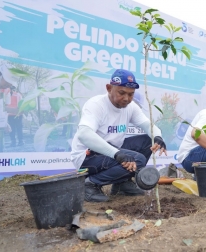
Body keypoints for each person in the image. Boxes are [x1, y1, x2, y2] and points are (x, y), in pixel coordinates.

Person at [71, 69, 167, 202]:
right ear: (109, 88)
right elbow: (84, 135)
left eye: (131, 94)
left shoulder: (130, 106)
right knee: (138, 160)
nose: (126, 98)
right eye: (121, 93)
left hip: (111, 151)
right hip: (87, 157)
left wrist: (158, 137)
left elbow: (147, 125)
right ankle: (90, 184)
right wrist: (116, 154)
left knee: (147, 140)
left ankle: (121, 184)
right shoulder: (96, 105)